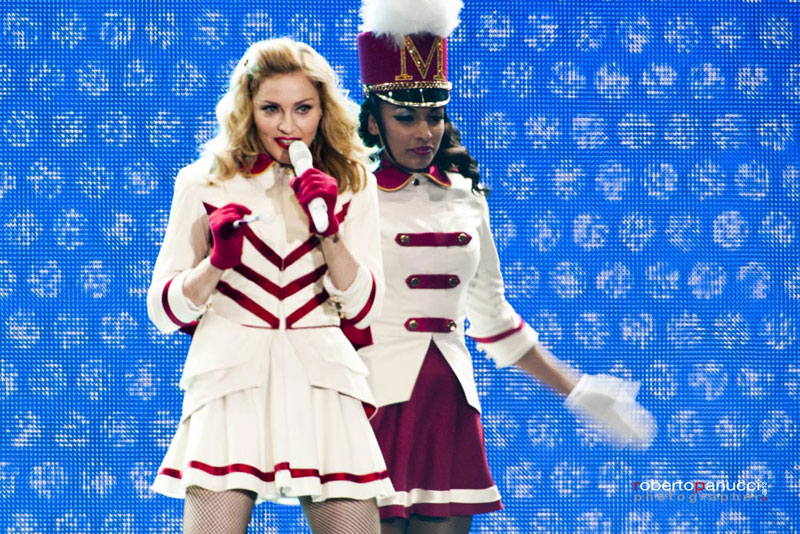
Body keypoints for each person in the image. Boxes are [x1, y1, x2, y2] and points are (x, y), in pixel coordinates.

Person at [350, 1, 657, 533]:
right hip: (369, 406)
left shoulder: (466, 197)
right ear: (374, 120)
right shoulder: (347, 196)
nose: (424, 131)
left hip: (448, 407)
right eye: (406, 116)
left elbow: (492, 317)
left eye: (434, 115)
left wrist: (577, 389)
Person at [146, 37, 392, 534]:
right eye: (270, 109)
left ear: (324, 110)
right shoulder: (203, 182)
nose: (287, 126)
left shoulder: (353, 183)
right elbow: (163, 310)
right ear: (247, 109)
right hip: (230, 377)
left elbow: (365, 307)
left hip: (322, 379)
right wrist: (215, 264)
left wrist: (330, 233)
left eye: (303, 108)